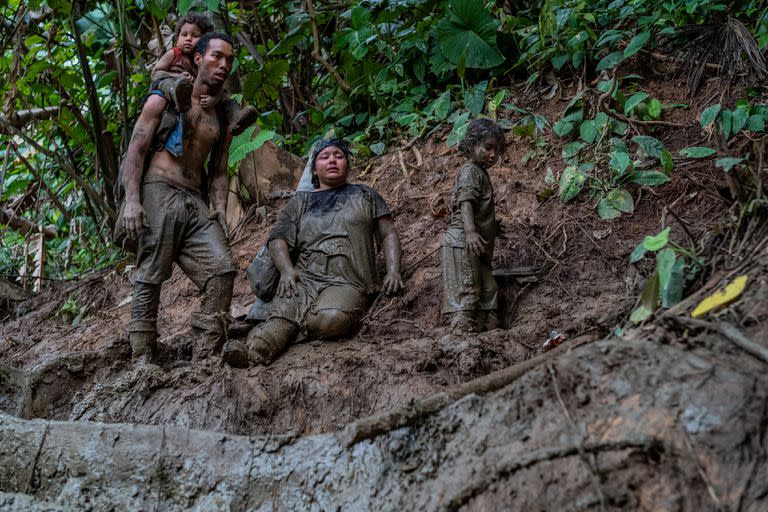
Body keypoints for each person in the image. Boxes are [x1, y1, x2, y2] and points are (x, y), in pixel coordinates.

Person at [223, 139, 404, 367]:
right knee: (275, 326)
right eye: (324, 157)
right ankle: (251, 354)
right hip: (304, 280)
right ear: (315, 168)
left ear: (347, 163)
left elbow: (389, 233)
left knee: (330, 320)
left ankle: (296, 330)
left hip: (349, 281)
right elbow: (278, 241)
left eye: (338, 156)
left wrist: (393, 271)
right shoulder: (300, 202)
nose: (332, 160)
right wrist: (287, 271)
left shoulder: (365, 194)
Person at [119, 32, 238, 364]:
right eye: (216, 56)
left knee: (222, 271)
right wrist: (132, 200)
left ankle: (206, 355)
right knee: (151, 272)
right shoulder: (163, 99)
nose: (224, 64)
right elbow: (136, 149)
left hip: (194, 200)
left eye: (229, 59)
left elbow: (219, 171)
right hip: (159, 189)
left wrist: (219, 210)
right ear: (198, 59)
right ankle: (142, 358)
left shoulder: (223, 117)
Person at [441, 118, 506, 333]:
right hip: (463, 241)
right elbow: (465, 202)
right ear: (471, 144)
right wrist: (470, 232)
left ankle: (478, 332)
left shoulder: (478, 172)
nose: (492, 155)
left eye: (496, 150)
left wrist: (492, 226)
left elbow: (476, 206)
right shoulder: (470, 171)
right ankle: (459, 334)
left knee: (489, 288)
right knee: (468, 291)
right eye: (487, 148)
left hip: (472, 244)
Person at [151, 13, 257, 135]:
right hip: (167, 83)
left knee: (225, 97)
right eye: (184, 34)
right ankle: (179, 97)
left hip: (190, 90)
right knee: (167, 83)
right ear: (177, 38)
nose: (188, 38)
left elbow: (220, 88)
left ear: (205, 40)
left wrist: (214, 99)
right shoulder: (173, 54)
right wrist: (177, 77)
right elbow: (156, 72)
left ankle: (236, 117)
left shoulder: (203, 62)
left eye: (195, 35)